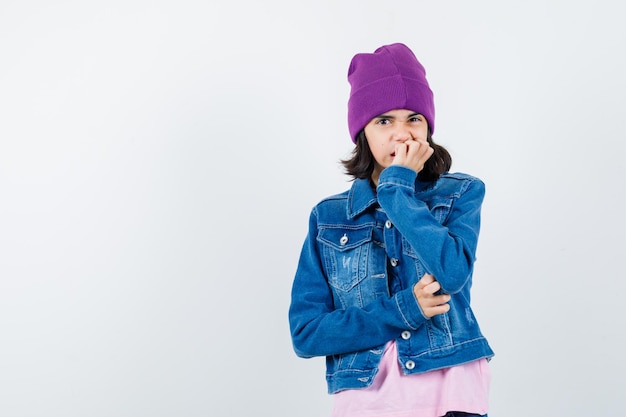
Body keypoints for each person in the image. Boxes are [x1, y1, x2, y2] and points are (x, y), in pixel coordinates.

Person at [288, 42, 495, 417]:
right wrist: (402, 311)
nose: (402, 134)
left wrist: (398, 188)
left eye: (414, 119)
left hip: (451, 387)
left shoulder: (461, 193)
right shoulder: (329, 216)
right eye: (384, 121)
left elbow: (452, 274)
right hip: (366, 397)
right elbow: (306, 333)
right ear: (362, 132)